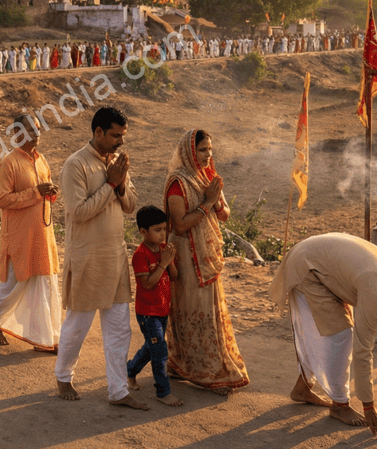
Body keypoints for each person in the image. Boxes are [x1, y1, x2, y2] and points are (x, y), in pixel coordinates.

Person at [268, 232, 377, 439]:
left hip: (319, 263)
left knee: (337, 331)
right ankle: (340, 406)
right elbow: (363, 350)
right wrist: (369, 407)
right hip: (307, 268)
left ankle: (301, 389)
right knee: (340, 335)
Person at [55, 106, 147, 410]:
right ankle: (63, 376)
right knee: (78, 323)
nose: (120, 141)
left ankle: (118, 390)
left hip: (115, 257)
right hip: (87, 257)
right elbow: (79, 213)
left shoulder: (118, 165)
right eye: (115, 135)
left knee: (120, 327)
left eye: (123, 135)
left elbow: (131, 205)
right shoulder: (75, 165)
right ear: (98, 133)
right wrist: (110, 183)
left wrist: (119, 182)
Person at [162, 129, 250, 393]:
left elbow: (224, 215)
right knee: (191, 310)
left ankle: (194, 366)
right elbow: (179, 225)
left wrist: (217, 203)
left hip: (206, 255)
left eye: (210, 149)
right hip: (185, 256)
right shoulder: (178, 182)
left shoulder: (207, 176)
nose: (208, 155)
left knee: (208, 311)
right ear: (190, 152)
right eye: (202, 150)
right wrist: (208, 202)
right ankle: (204, 373)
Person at [0, 113, 60, 351]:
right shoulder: (8, 163)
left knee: (44, 283)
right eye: (31, 130)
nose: (37, 134)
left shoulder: (41, 161)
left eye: (38, 129)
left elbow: (45, 193)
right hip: (20, 236)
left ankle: (44, 338)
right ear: (18, 133)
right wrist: (37, 192)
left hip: (43, 234)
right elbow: (2, 200)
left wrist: (51, 191)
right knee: (13, 283)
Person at [126, 205, 183, 406]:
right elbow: (148, 284)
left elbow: (174, 277)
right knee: (159, 351)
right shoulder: (140, 255)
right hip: (147, 311)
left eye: (164, 229)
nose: (162, 234)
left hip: (162, 308)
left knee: (152, 348)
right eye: (157, 230)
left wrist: (169, 261)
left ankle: (130, 371)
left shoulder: (163, 250)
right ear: (143, 232)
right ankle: (163, 392)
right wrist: (163, 264)